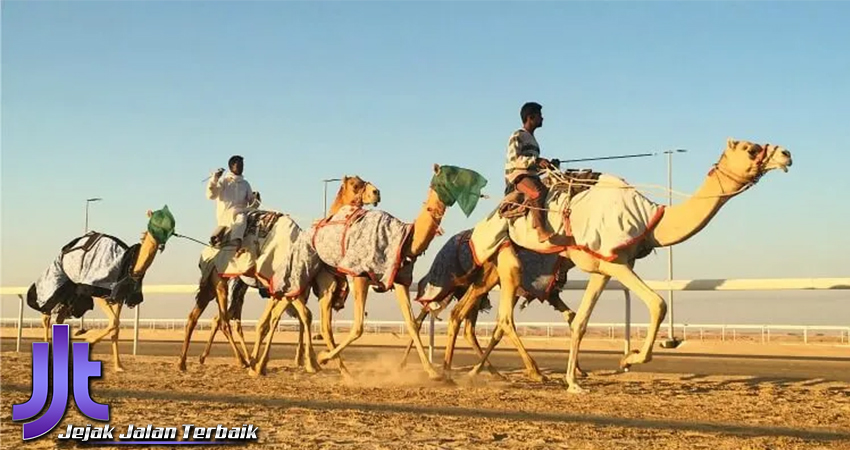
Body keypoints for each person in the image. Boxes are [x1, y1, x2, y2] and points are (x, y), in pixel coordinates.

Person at [504, 102, 560, 242]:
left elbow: (533, 166)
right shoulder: (517, 135)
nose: (542, 118)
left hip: (531, 176)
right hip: (518, 177)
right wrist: (536, 160)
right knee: (537, 192)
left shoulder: (534, 141)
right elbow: (514, 160)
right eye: (539, 115)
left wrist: (548, 166)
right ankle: (540, 230)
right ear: (530, 117)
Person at [206, 155, 260, 249]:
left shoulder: (245, 184)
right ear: (232, 166)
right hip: (227, 215)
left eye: (242, 165)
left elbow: (252, 202)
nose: (241, 168)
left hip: (242, 211)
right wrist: (214, 180)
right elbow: (211, 195)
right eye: (239, 165)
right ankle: (236, 240)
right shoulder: (224, 181)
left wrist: (257, 199)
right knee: (241, 217)